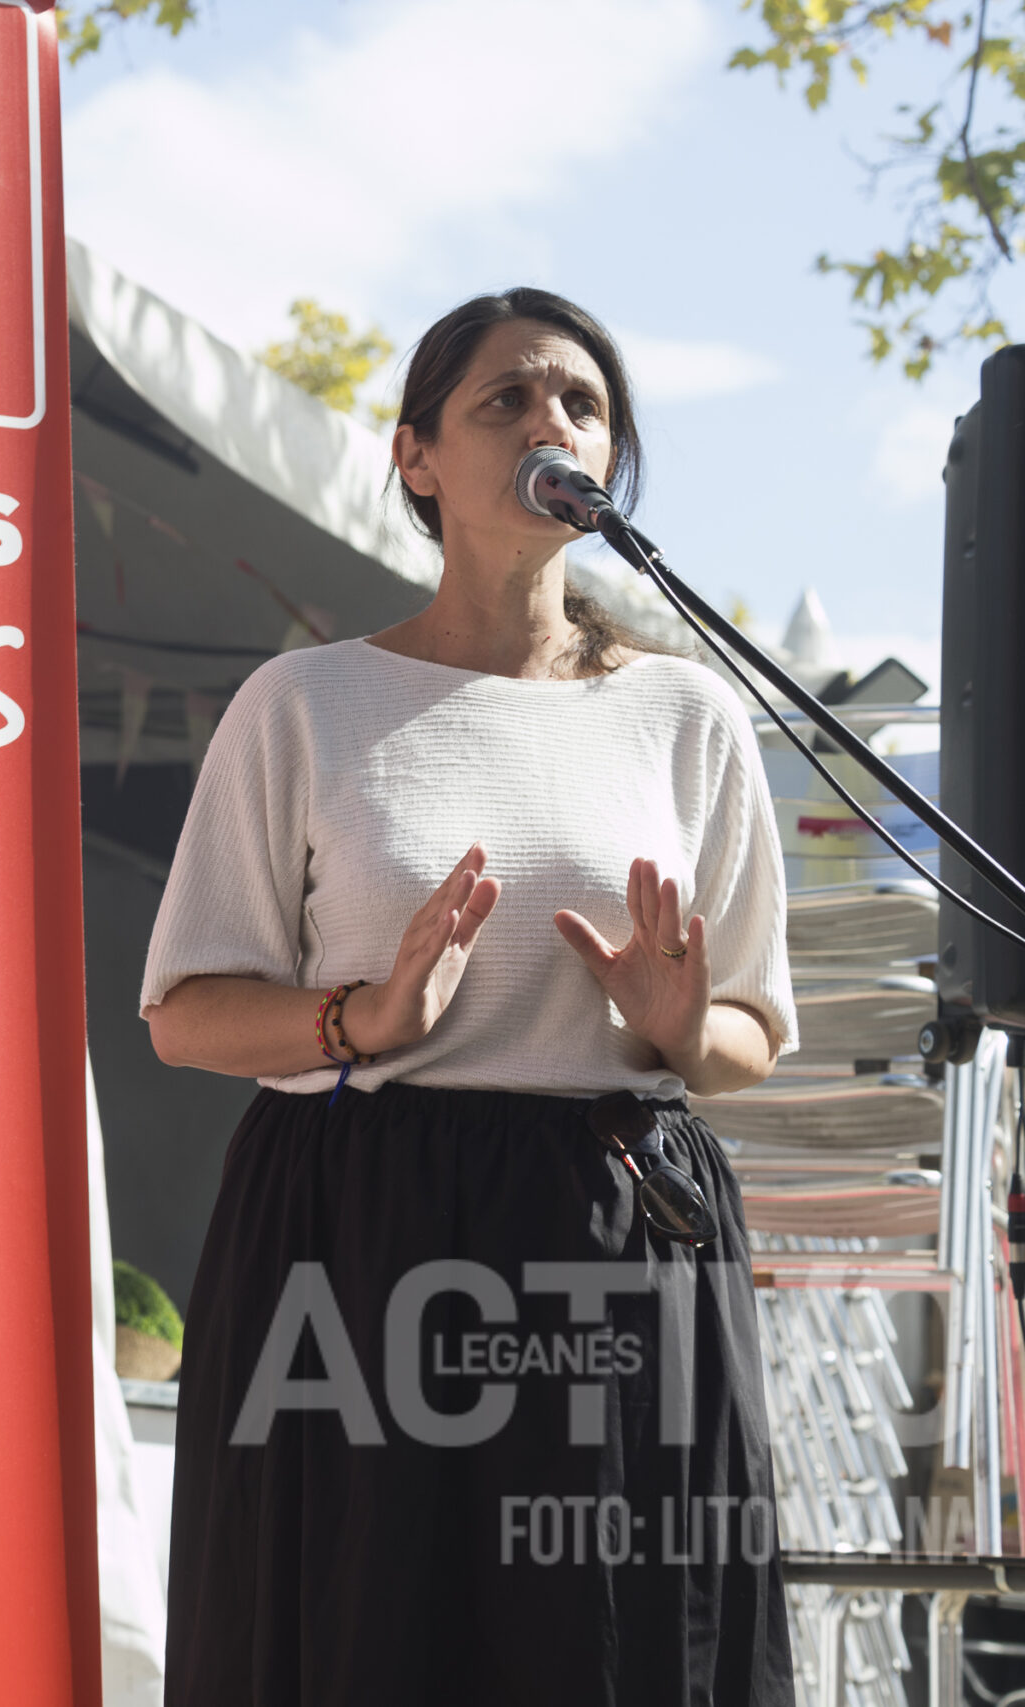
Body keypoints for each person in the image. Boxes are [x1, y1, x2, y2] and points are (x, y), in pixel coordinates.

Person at [140, 288, 797, 1704]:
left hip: (619, 1226)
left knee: (616, 1645)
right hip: (361, 1222)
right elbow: (186, 1013)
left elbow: (747, 1034)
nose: (553, 423)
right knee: (368, 1640)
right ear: (417, 457)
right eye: (508, 399)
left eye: (583, 404)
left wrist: (684, 1027)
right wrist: (356, 1021)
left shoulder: (687, 714)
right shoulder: (304, 703)